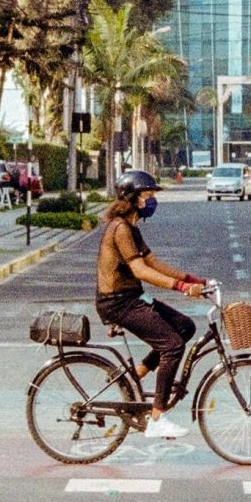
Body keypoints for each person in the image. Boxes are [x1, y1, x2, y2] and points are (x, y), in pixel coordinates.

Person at [95, 168, 210, 438]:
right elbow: (141, 271)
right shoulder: (121, 228)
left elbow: (152, 262)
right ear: (132, 198)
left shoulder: (131, 227)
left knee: (184, 327)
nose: (152, 201)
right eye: (147, 195)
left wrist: (193, 278)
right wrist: (181, 287)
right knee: (172, 345)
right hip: (118, 302)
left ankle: (137, 373)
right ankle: (157, 419)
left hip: (130, 297)